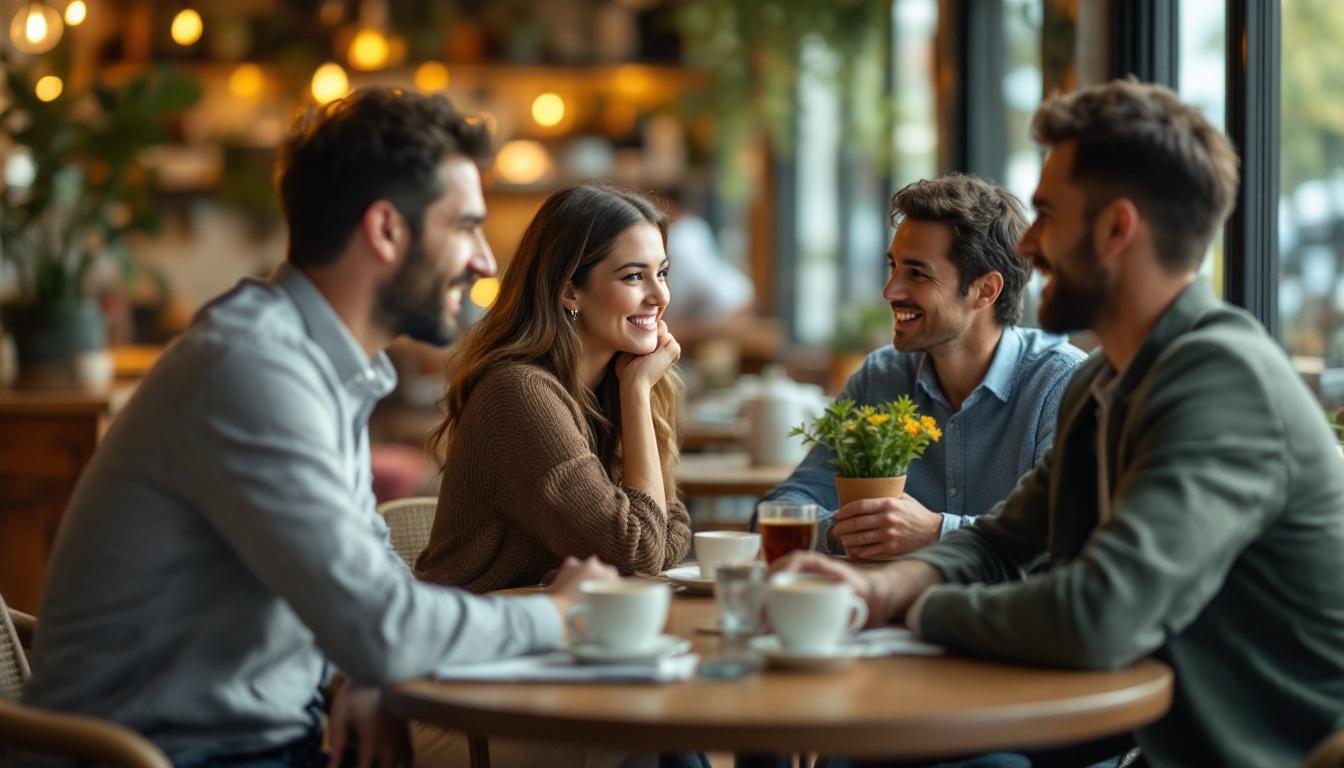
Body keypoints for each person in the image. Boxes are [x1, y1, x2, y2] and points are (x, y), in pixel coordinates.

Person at [22, 87, 617, 767]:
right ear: (387, 229)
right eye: (465, 227)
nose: (485, 260)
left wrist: (362, 671)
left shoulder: (316, 365)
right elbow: (384, 625)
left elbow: (369, 582)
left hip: (261, 741)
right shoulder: (251, 370)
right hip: (160, 755)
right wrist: (564, 614)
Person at [780, 80, 1344, 767]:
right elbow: (997, 543)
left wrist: (909, 610)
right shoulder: (1104, 381)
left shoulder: (1222, 378)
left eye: (1046, 213)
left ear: (1116, 230)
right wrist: (876, 586)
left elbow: (1099, 615)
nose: (1027, 241)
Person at [764, 174, 1085, 559]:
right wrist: (849, 533)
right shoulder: (880, 377)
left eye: (917, 273)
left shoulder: (1061, 383)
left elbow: (1068, 532)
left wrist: (936, 532)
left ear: (985, 290)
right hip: (881, 610)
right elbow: (783, 509)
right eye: (893, 267)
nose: (889, 291)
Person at [416, 184, 692, 593]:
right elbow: (641, 549)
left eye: (662, 273)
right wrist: (636, 391)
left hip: (554, 632)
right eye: (634, 276)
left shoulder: (607, 384)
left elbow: (671, 527)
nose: (660, 296)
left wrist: (632, 389)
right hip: (475, 639)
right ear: (569, 290)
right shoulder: (519, 393)